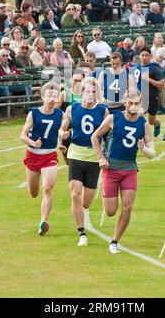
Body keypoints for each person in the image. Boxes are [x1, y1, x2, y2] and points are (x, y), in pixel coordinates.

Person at [91, 89, 155, 254]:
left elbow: (152, 153)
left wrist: (143, 149)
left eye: (137, 103)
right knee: (110, 211)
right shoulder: (113, 118)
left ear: (141, 104)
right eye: (131, 103)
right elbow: (94, 137)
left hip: (129, 169)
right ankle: (110, 205)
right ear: (125, 103)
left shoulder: (143, 124)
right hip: (111, 169)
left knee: (127, 207)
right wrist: (101, 157)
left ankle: (114, 241)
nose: (133, 106)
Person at [59, 77, 109, 246]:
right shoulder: (72, 109)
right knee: (75, 194)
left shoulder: (103, 110)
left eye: (94, 92)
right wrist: (63, 134)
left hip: (94, 158)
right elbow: (62, 127)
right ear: (82, 92)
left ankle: (80, 213)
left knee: (86, 202)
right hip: (76, 155)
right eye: (88, 91)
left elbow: (109, 134)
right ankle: (81, 233)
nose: (90, 95)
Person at [20, 81, 64, 235]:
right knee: (33, 192)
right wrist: (33, 143)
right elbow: (22, 135)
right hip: (33, 155)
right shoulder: (34, 113)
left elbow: (61, 131)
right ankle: (34, 190)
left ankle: (43, 222)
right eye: (49, 96)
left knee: (47, 187)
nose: (52, 99)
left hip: (50, 155)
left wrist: (62, 138)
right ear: (43, 97)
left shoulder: (60, 114)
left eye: (55, 96)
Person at [133, 47, 165, 137]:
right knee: (137, 116)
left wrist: (149, 79)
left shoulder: (154, 68)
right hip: (139, 98)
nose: (144, 57)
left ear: (150, 56)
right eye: (142, 55)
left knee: (151, 121)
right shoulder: (137, 67)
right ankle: (138, 136)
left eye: (146, 55)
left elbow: (162, 85)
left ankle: (157, 123)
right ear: (139, 56)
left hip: (151, 98)